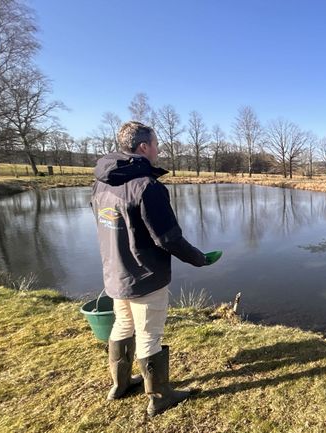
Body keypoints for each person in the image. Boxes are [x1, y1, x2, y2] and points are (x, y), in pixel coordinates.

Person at [90, 121, 213, 416]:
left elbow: (105, 223)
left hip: (116, 273)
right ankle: (159, 396)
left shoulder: (102, 182)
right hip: (145, 276)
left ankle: (120, 385)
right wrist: (199, 258)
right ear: (144, 147)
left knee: (123, 325)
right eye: (156, 144)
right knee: (148, 335)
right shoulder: (147, 186)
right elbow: (168, 238)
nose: (158, 150)